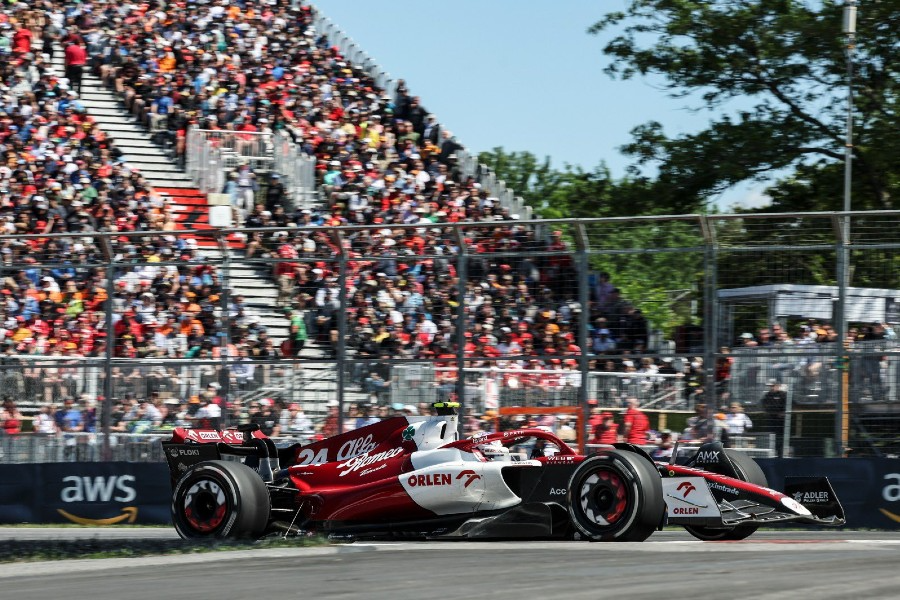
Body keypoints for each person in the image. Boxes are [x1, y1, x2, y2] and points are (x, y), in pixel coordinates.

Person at [762, 379, 787, 456]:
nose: (771, 387)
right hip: (771, 419)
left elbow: (788, 405)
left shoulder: (783, 394)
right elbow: (764, 405)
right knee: (771, 436)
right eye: (770, 386)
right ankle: (771, 453)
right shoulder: (767, 395)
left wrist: (783, 412)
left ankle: (780, 454)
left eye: (773, 386)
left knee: (780, 438)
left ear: (778, 386)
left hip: (780, 421)